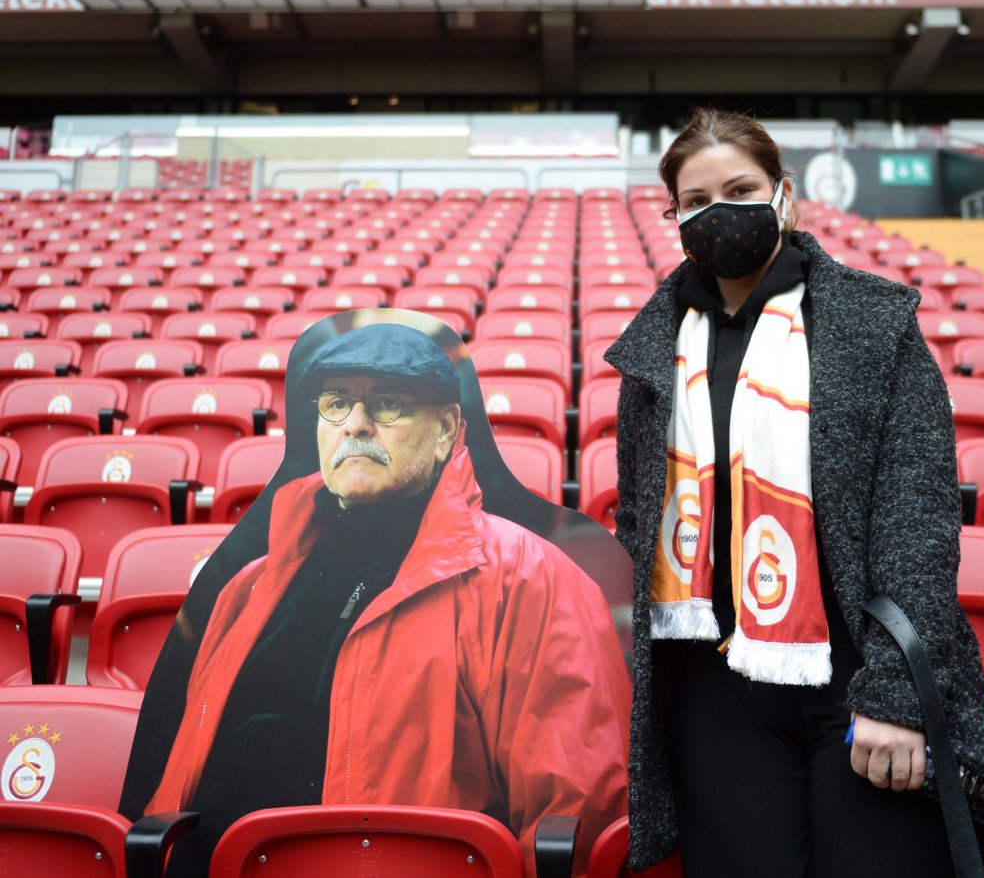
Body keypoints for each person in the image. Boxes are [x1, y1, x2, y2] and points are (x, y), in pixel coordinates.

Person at [604, 108, 984, 877]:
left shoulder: (870, 320)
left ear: (783, 194)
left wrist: (894, 695)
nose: (718, 211)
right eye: (695, 200)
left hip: (855, 670)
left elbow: (916, 522)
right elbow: (637, 518)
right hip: (713, 686)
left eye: (740, 188)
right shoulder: (654, 345)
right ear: (675, 218)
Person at [144, 322, 630, 876]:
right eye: (335, 404)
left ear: (447, 428)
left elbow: (572, 822)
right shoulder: (246, 587)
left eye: (387, 404)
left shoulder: (531, 579)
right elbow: (180, 787)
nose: (355, 424)